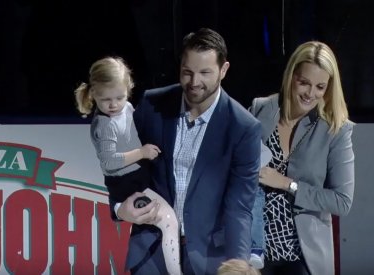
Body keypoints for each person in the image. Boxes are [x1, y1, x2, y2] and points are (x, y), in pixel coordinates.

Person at [112, 28, 262, 275]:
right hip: (151, 253)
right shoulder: (152, 105)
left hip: (209, 258)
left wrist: (238, 265)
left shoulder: (243, 128)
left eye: (205, 73)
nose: (194, 83)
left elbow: (239, 207)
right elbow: (119, 165)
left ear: (223, 70)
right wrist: (119, 207)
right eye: (187, 72)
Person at [248, 41, 355, 275]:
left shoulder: (336, 129)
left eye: (320, 87)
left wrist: (288, 184)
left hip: (301, 257)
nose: (310, 93)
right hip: (253, 253)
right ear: (291, 76)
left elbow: (342, 201)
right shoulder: (260, 109)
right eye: (304, 82)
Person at [74, 56, 181, 275]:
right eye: (106, 100)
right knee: (169, 220)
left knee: (169, 220)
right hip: (126, 185)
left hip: (140, 177)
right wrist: (141, 152)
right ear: (94, 94)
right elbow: (109, 161)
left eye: (119, 97)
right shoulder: (104, 125)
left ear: (128, 90)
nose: (113, 105)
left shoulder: (128, 108)